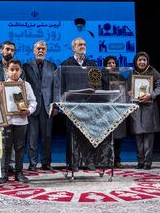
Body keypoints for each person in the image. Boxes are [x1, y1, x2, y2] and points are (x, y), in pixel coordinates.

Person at [58, 37, 97, 171]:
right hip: (72, 106)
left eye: (84, 44)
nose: (82, 46)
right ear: (73, 48)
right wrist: (62, 105)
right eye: (80, 44)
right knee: (72, 135)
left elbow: (97, 85)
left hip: (88, 106)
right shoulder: (66, 64)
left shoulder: (92, 64)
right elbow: (61, 86)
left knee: (89, 134)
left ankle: (89, 162)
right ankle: (73, 163)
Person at [0, 41, 26, 173]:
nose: (10, 52)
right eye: (7, 49)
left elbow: (23, 89)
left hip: (14, 109)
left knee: (12, 140)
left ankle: (8, 163)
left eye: (12, 50)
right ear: (1, 50)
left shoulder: (19, 68)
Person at [0, 59, 37, 184]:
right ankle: (3, 174)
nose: (14, 72)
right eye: (11, 70)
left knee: (19, 147)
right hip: (7, 121)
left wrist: (29, 111)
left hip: (21, 121)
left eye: (16, 70)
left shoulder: (26, 85)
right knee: (6, 148)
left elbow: (33, 102)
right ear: (7, 71)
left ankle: (19, 173)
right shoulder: (2, 86)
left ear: (21, 71)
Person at [23, 40, 58, 171]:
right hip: (32, 107)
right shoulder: (26, 66)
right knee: (32, 137)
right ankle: (32, 163)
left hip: (48, 106)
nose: (40, 51)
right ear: (33, 50)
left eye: (43, 49)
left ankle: (46, 162)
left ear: (46, 50)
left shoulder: (52, 66)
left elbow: (56, 87)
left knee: (47, 137)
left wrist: (56, 106)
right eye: (38, 48)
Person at [128, 51, 160, 170]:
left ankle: (147, 162)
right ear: (136, 62)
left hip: (149, 108)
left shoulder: (153, 72)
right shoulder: (132, 74)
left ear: (147, 61)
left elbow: (159, 88)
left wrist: (151, 95)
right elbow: (127, 89)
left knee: (148, 136)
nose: (142, 62)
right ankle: (140, 161)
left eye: (144, 60)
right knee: (138, 135)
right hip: (136, 108)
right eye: (140, 60)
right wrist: (129, 93)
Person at [101, 55, 127, 169]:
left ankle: (117, 159)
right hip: (106, 110)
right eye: (109, 63)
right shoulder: (101, 76)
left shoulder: (121, 77)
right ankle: (105, 159)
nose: (112, 65)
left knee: (118, 137)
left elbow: (124, 93)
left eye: (113, 63)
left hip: (119, 110)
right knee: (106, 137)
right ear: (105, 65)